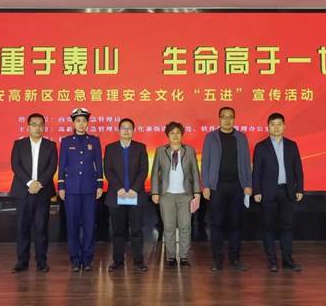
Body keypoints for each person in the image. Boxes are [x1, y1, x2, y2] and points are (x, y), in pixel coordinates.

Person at [201, 107, 252, 271]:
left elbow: (246, 162)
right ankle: (217, 259)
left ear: (234, 119)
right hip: (217, 187)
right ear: (219, 119)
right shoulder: (210, 137)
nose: (227, 120)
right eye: (224, 117)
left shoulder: (241, 138)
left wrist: (248, 184)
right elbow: (205, 162)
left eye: (230, 117)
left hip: (237, 186)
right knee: (216, 224)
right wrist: (205, 185)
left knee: (235, 224)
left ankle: (235, 258)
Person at [252, 112, 304, 272]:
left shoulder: (292, 145)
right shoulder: (261, 147)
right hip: (268, 193)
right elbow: (256, 172)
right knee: (268, 228)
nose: (276, 127)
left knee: (287, 227)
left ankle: (288, 260)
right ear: (268, 127)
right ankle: (272, 261)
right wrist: (257, 191)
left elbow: (298, 168)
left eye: (279, 124)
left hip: (287, 192)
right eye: (273, 124)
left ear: (284, 126)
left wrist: (300, 188)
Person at [10, 113, 58, 273]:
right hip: (23, 191)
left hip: (42, 192)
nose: (38, 128)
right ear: (28, 126)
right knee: (22, 228)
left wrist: (39, 184)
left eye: (41, 124)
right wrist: (30, 183)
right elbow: (15, 166)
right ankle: (22, 262)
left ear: (44, 127)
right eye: (34, 124)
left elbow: (52, 167)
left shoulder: (50, 145)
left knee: (41, 228)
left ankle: (41, 262)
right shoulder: (19, 144)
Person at [58, 108, 103, 272]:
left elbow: (99, 164)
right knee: (72, 225)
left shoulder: (94, 141)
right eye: (78, 121)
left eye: (84, 121)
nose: (81, 124)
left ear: (87, 123)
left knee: (89, 225)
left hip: (89, 188)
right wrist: (61, 186)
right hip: (71, 189)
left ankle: (88, 259)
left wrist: (99, 184)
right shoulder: (66, 141)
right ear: (73, 123)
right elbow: (62, 164)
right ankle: (75, 260)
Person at [151, 121, 201, 268]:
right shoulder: (161, 151)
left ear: (182, 134)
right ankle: (171, 257)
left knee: (185, 226)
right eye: (172, 133)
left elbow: (195, 172)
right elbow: (154, 173)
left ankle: (184, 257)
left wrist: (197, 192)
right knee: (169, 227)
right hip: (166, 195)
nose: (175, 135)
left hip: (185, 195)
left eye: (178, 133)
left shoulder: (189, 150)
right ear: (167, 135)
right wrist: (155, 192)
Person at [104, 118, 149, 272]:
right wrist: (119, 188)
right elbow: (108, 170)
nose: (126, 130)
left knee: (136, 230)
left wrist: (134, 189)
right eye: (123, 128)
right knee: (118, 231)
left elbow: (144, 170)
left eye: (129, 128)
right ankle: (117, 261)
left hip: (135, 195)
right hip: (117, 195)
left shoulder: (140, 148)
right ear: (119, 130)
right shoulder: (110, 148)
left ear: (133, 131)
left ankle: (138, 261)